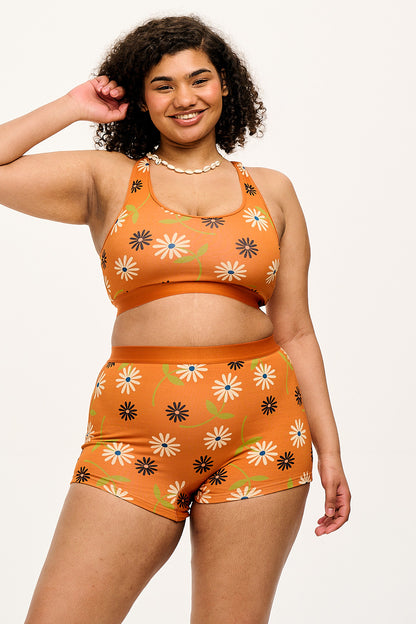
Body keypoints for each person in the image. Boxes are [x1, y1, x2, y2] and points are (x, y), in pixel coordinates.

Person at [0, 15, 351, 624]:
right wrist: (73, 106)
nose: (185, 98)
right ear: (141, 99)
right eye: (163, 85)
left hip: (263, 433)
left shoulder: (272, 190)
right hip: (135, 435)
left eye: (199, 79)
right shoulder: (108, 178)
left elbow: (295, 329)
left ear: (225, 85)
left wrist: (331, 452)